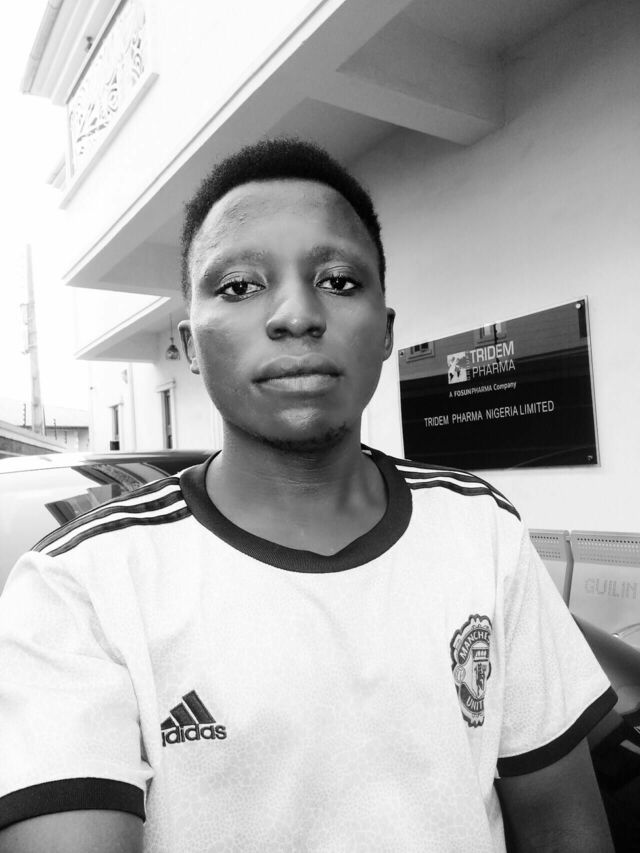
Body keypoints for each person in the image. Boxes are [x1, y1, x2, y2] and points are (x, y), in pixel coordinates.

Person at [0, 138, 616, 853]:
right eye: (239, 286)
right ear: (190, 345)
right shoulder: (79, 588)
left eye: (339, 280)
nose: (296, 314)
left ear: (385, 332)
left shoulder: (480, 528)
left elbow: (563, 825)